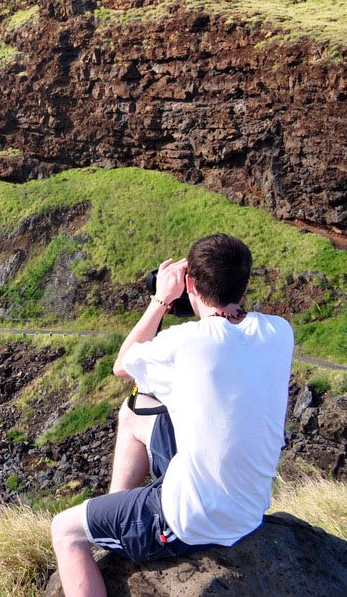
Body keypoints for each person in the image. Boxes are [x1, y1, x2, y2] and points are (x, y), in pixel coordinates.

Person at [50, 233, 294, 596]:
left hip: (192, 521)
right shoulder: (278, 331)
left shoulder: (187, 342)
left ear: (190, 283)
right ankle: (116, 511)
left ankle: (118, 526)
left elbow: (122, 365)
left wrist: (162, 299)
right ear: (243, 283)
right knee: (135, 410)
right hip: (251, 508)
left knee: (64, 530)